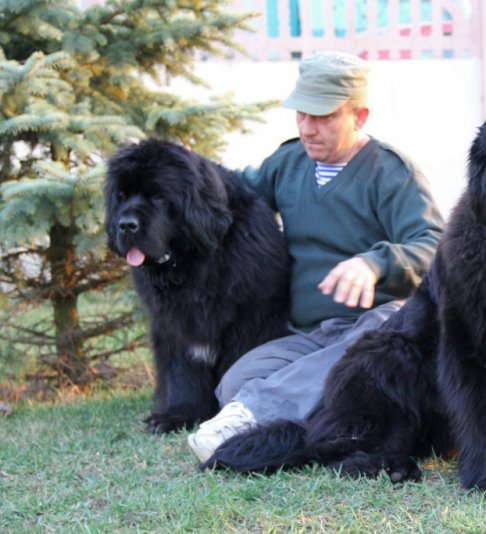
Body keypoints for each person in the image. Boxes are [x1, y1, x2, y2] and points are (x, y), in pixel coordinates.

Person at [187, 51, 444, 462]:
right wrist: (178, 167)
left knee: (376, 335)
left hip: (378, 330)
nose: (308, 128)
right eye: (302, 115)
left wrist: (373, 264)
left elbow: (433, 245)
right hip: (308, 335)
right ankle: (324, 423)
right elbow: (232, 191)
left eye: (323, 117)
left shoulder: (392, 173)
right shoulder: (287, 163)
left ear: (359, 117)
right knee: (236, 382)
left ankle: (254, 415)